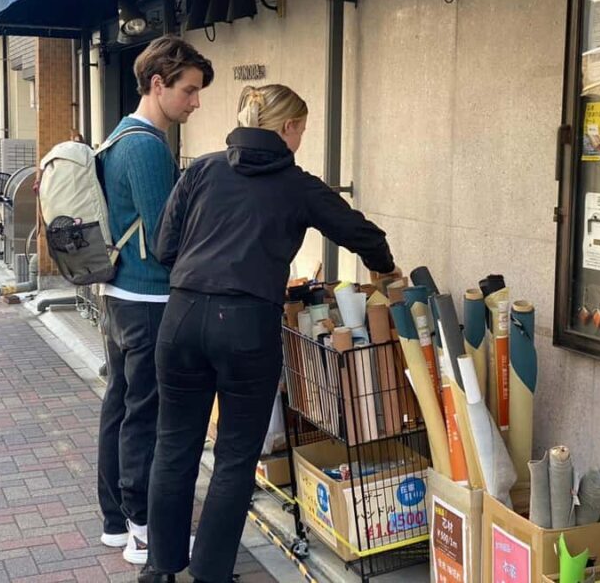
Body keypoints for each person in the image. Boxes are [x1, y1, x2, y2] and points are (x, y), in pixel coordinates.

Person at [140, 84, 399, 583]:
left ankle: (159, 569)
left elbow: (163, 246)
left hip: (183, 317)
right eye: (303, 126)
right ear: (288, 128)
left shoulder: (204, 168)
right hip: (247, 325)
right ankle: (211, 574)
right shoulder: (297, 184)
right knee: (235, 456)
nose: (303, 136)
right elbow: (364, 234)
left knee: (174, 446)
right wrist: (386, 271)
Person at [96, 35, 214, 566]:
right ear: (158, 84)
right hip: (146, 297)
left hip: (122, 293)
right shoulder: (144, 146)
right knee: (145, 413)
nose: (195, 102)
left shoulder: (119, 136)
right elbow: (172, 237)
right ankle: (143, 529)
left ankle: (116, 522)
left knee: (122, 405)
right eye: (188, 90)